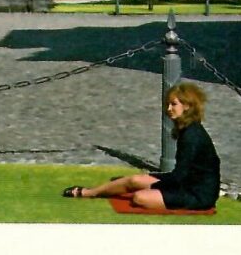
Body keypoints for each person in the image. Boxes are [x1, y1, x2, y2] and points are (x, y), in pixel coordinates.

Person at [62, 82, 220, 210]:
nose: (168, 109)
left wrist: (153, 183)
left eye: (173, 104)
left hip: (198, 194)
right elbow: (180, 175)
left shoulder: (192, 136)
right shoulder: (187, 129)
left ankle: (131, 190)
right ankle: (89, 192)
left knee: (140, 197)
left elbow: (180, 176)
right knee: (134, 180)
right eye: (168, 104)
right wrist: (147, 180)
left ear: (187, 106)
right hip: (185, 183)